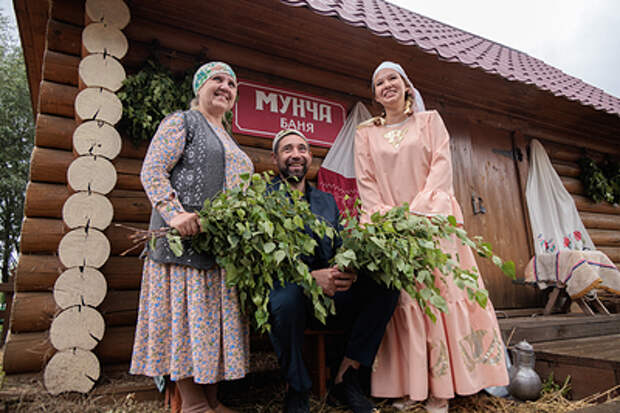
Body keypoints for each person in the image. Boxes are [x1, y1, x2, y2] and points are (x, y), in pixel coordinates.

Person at [354, 61, 509, 413]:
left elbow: (441, 166)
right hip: (392, 231)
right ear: (375, 94)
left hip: (433, 223)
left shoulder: (430, 121)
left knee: (439, 297)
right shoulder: (366, 134)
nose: (386, 85)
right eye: (379, 82)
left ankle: (442, 389)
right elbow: (366, 182)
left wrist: (419, 213)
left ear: (407, 85)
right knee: (405, 303)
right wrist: (387, 222)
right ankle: (412, 389)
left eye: (393, 78)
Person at [130, 62, 253, 413]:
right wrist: (175, 213)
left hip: (220, 249)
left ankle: (213, 401)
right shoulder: (181, 122)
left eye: (231, 83)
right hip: (183, 244)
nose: (225, 86)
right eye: (217, 79)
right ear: (199, 87)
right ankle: (194, 405)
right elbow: (152, 169)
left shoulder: (227, 137)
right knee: (187, 321)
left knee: (212, 324)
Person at [267, 129, 400, 413]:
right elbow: (263, 261)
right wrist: (310, 278)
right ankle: (297, 388)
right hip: (292, 292)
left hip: (330, 294)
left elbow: (340, 245)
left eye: (301, 148)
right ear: (275, 158)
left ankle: (346, 378)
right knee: (283, 299)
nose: (295, 154)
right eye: (287, 149)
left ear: (309, 157)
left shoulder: (326, 202)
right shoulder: (262, 199)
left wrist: (346, 270)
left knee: (385, 287)